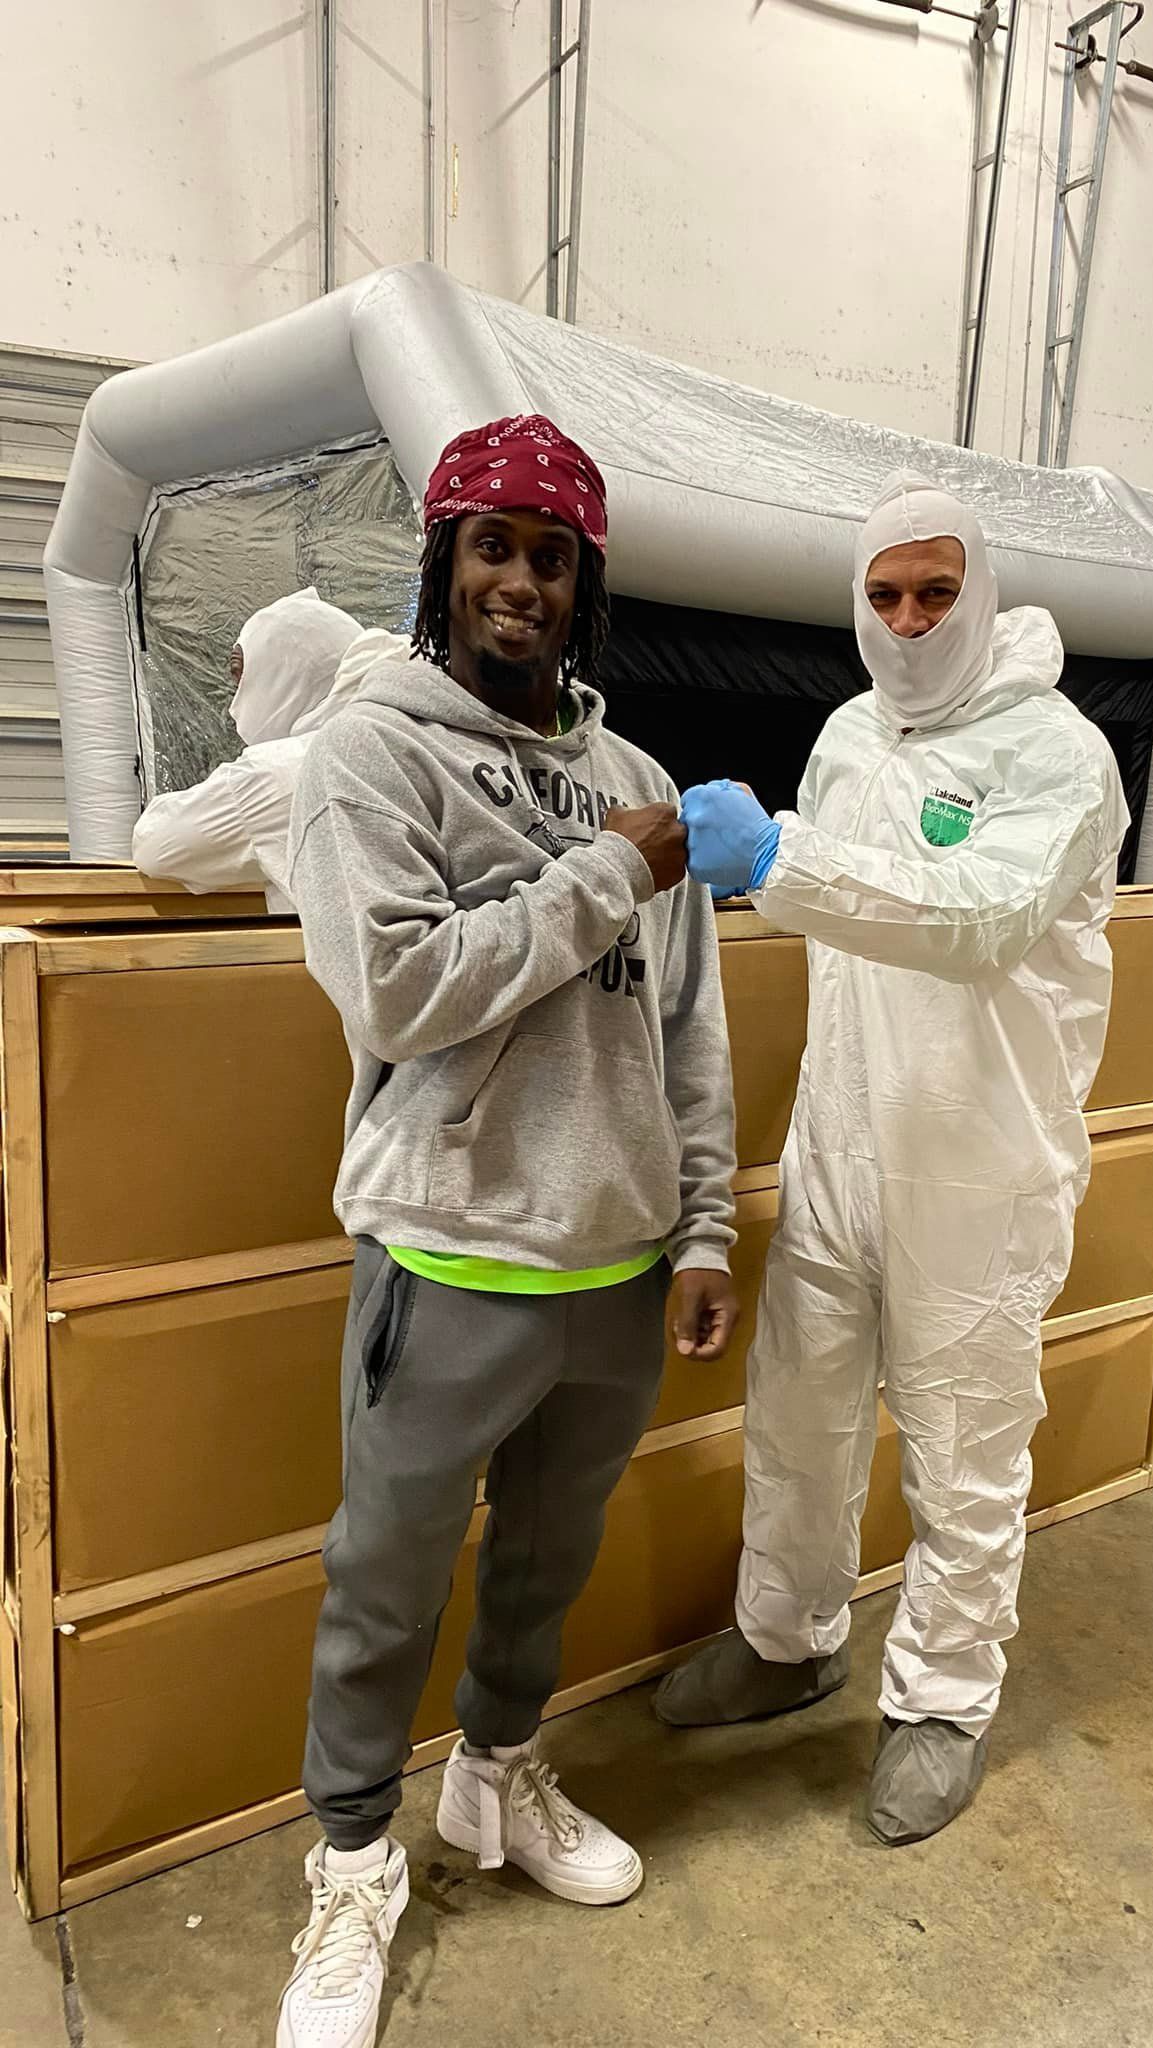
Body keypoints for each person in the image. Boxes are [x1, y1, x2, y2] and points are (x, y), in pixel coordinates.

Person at [276, 415, 738, 2048]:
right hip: (445, 1250)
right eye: (493, 548)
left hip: (612, 1268)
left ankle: (493, 1778)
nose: (520, 583)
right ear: (445, 562)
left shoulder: (638, 782)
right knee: (383, 1581)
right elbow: (400, 986)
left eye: (550, 557)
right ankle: (348, 1862)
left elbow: (687, 1027)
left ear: (583, 582)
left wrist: (701, 1226)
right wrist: (606, 877)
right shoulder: (372, 756)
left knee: (544, 1565)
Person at [657, 472, 1129, 1848]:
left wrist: (778, 858)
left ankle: (942, 1699)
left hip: (978, 1173)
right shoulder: (849, 737)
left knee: (965, 1446)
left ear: (979, 591)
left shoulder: (1052, 754)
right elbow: (839, 937)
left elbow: (979, 917)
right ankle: (786, 1637)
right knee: (797, 1421)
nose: (910, 620)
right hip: (842, 1146)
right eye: (883, 595)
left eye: (935, 591)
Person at [132, 589, 406, 910]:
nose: (235, 703)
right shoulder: (402, 733)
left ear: (288, 674)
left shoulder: (286, 770)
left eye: (242, 677)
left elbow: (156, 845)